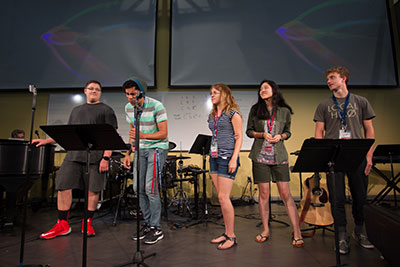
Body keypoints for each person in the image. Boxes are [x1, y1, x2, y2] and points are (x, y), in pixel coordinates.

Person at [33, 80, 118, 239]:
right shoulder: (76, 110)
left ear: (100, 93)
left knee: (93, 189)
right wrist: (46, 141)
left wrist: (106, 157)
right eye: (91, 89)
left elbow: (110, 136)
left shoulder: (106, 110)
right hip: (73, 155)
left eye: (97, 89)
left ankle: (88, 223)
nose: (94, 91)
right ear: (85, 91)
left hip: (95, 157)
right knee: (63, 186)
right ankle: (62, 225)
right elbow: (68, 132)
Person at [314, 66, 375, 254]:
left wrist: (369, 155)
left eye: (332, 77)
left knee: (360, 197)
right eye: (327, 79)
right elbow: (319, 133)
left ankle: (359, 231)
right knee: (337, 198)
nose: (329, 81)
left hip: (357, 156)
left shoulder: (360, 102)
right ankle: (341, 236)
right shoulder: (324, 105)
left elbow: (369, 130)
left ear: (344, 79)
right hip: (334, 157)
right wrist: (322, 158)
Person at [246, 80, 304, 247]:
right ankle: (265, 230)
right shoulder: (255, 110)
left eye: (266, 87)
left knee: (286, 194)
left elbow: (288, 132)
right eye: (261, 88)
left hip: (279, 156)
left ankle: (297, 231)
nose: (262, 90)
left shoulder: (284, 111)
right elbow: (249, 132)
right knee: (264, 195)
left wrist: (281, 137)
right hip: (260, 156)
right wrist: (261, 134)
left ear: (274, 90)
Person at [122, 78, 169, 245]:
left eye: (133, 94)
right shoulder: (129, 108)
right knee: (137, 188)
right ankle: (148, 223)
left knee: (151, 188)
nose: (129, 97)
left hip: (157, 148)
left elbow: (163, 133)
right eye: (127, 94)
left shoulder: (157, 106)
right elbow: (132, 132)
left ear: (141, 92)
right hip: (140, 149)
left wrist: (143, 136)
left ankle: (157, 227)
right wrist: (128, 153)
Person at [208, 83, 242, 250]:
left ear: (224, 94)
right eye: (211, 93)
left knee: (223, 197)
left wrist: (234, 158)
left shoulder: (233, 113)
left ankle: (231, 236)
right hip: (213, 157)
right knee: (221, 198)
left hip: (227, 156)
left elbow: (239, 137)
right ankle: (226, 232)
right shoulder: (213, 114)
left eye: (215, 92)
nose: (212, 95)